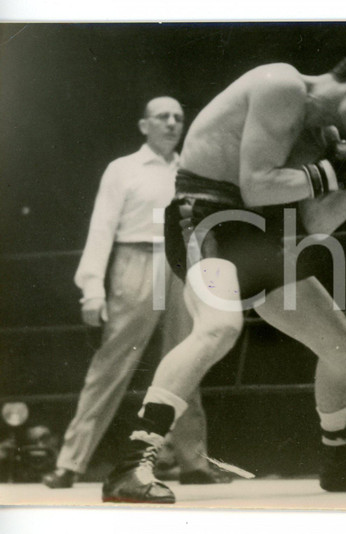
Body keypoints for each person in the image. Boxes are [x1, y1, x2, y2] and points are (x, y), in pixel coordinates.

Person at [101, 50, 346, 503]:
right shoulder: (281, 84)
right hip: (204, 214)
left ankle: (340, 460)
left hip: (256, 232)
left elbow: (318, 223)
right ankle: (132, 463)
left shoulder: (324, 134)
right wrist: (336, 170)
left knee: (341, 344)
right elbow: (257, 184)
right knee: (219, 327)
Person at [43, 97, 228, 489]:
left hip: (183, 265)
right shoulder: (122, 169)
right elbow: (101, 228)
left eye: (178, 117)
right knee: (110, 366)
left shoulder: (190, 169)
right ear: (144, 125)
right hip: (135, 262)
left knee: (187, 358)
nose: (172, 123)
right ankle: (70, 463)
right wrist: (91, 289)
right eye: (163, 116)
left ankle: (194, 462)